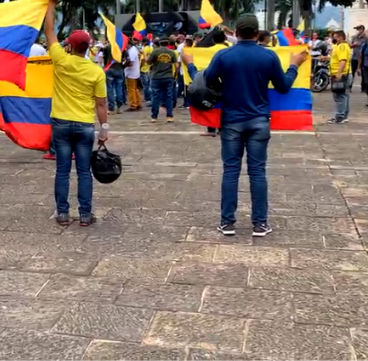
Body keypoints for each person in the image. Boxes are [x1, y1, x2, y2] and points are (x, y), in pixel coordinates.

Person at [181, 14, 307, 237]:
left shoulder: (224, 55)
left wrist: (190, 64)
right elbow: (284, 87)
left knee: (231, 171)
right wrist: (294, 66)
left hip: (231, 122)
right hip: (259, 121)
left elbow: (204, 81)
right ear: (257, 33)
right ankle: (260, 224)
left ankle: (227, 222)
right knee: (258, 172)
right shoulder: (268, 57)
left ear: (236, 33)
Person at [43, 0, 108, 227]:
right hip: (84, 125)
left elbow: (49, 31)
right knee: (83, 172)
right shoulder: (96, 71)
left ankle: (62, 213)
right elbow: (101, 104)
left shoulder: (60, 59)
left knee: (62, 171)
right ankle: (85, 214)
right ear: (88, 47)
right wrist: (105, 128)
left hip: (60, 123)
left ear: (69, 46)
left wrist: (51, 4)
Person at [148, 40, 178, 123]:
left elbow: (148, 62)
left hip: (156, 77)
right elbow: (176, 65)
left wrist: (147, 57)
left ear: (160, 44)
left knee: (155, 96)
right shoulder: (172, 52)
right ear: (168, 44)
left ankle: (154, 116)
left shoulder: (155, 52)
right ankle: (169, 116)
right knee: (168, 96)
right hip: (168, 76)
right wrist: (175, 74)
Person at [326, 30, 352, 124]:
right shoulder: (339, 46)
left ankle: (339, 116)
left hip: (342, 74)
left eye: (335, 37)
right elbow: (335, 58)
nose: (334, 39)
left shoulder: (342, 46)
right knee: (344, 95)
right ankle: (343, 115)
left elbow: (343, 60)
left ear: (340, 37)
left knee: (339, 96)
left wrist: (339, 73)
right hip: (342, 73)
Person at [103, 45, 124, 114]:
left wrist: (105, 67)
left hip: (109, 69)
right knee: (119, 88)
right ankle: (119, 107)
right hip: (119, 69)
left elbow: (104, 58)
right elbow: (125, 59)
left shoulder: (107, 47)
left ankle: (111, 108)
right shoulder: (121, 46)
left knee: (110, 89)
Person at [124, 39, 142, 111]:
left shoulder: (132, 51)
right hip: (134, 72)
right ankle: (138, 103)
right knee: (135, 89)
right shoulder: (133, 49)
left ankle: (133, 105)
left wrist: (123, 65)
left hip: (131, 73)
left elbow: (130, 63)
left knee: (131, 90)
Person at [350, 25, 366, 91]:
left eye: (359, 29)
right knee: (352, 73)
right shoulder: (354, 37)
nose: (358, 31)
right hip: (354, 57)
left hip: (363, 57)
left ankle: (364, 87)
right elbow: (350, 46)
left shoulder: (366, 38)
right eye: (357, 29)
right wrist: (353, 45)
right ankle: (349, 86)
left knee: (364, 73)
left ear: (362, 29)